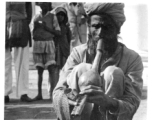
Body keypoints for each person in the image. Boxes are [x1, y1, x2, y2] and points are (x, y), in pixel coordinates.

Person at [53, 3, 143, 120]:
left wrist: (108, 102)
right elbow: (58, 92)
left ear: (118, 29)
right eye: (96, 26)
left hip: (111, 115)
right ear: (89, 27)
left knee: (113, 73)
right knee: (82, 68)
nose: (100, 33)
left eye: (106, 27)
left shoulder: (132, 58)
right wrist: (68, 98)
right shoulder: (78, 53)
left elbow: (132, 102)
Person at [32, 2, 61, 101]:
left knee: (51, 69)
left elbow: (58, 32)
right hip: (38, 44)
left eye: (45, 4)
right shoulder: (36, 17)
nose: (43, 5)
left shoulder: (53, 17)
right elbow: (32, 32)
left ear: (48, 6)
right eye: (41, 4)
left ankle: (52, 94)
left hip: (49, 43)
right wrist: (36, 27)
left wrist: (46, 28)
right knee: (39, 70)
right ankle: (39, 94)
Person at [5, 2, 32, 103]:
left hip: (21, 26)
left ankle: (23, 93)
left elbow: (29, 13)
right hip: (4, 26)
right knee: (4, 62)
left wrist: (23, 23)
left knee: (22, 62)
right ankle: (4, 93)